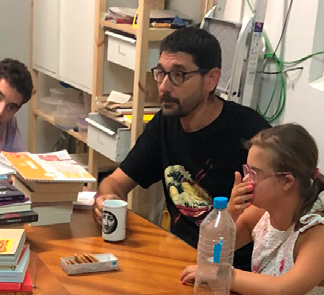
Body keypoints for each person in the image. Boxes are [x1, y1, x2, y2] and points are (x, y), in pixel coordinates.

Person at [92, 26, 269, 270]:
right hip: (176, 258)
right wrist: (106, 199)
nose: (164, 86)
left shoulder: (250, 134)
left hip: (230, 270)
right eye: (160, 73)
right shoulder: (165, 122)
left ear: (211, 79)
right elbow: (115, 182)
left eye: (178, 75)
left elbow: (272, 215)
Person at [178, 123, 324, 295]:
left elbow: (283, 291)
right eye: (246, 170)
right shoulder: (261, 214)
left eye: (255, 174)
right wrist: (228, 215)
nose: (246, 181)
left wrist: (224, 275)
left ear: (287, 181)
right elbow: (215, 251)